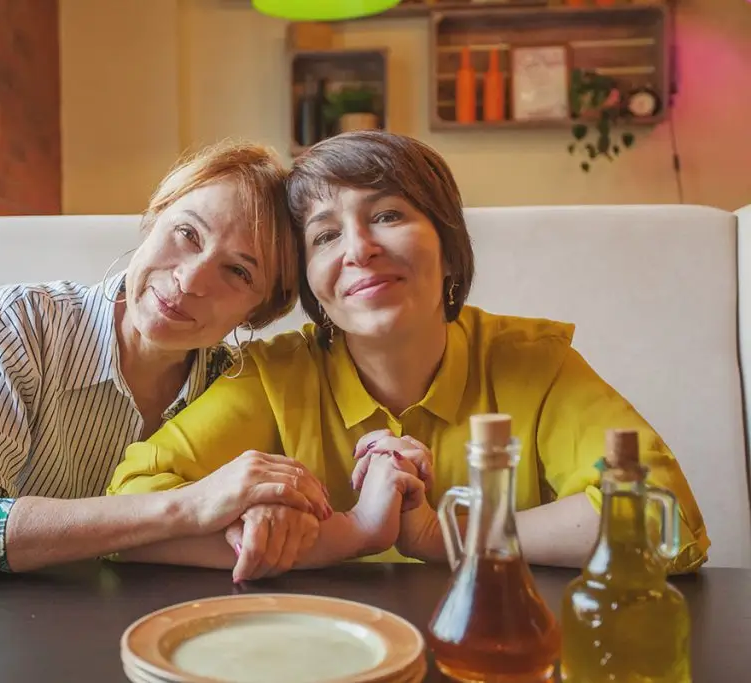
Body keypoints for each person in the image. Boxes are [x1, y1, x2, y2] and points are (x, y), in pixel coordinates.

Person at [107, 130, 710, 583]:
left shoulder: (533, 363)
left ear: (449, 249)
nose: (359, 249)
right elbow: (129, 504)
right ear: (312, 285)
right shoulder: (272, 375)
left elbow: (664, 518)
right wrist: (260, 527)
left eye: (388, 215)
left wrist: (446, 535)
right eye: (325, 235)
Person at [0, 140, 333, 579]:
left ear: (259, 311)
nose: (190, 280)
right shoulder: (19, 324)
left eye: (237, 271)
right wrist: (186, 507)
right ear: (155, 216)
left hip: (94, 620)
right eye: (188, 232)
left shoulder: (236, 386)